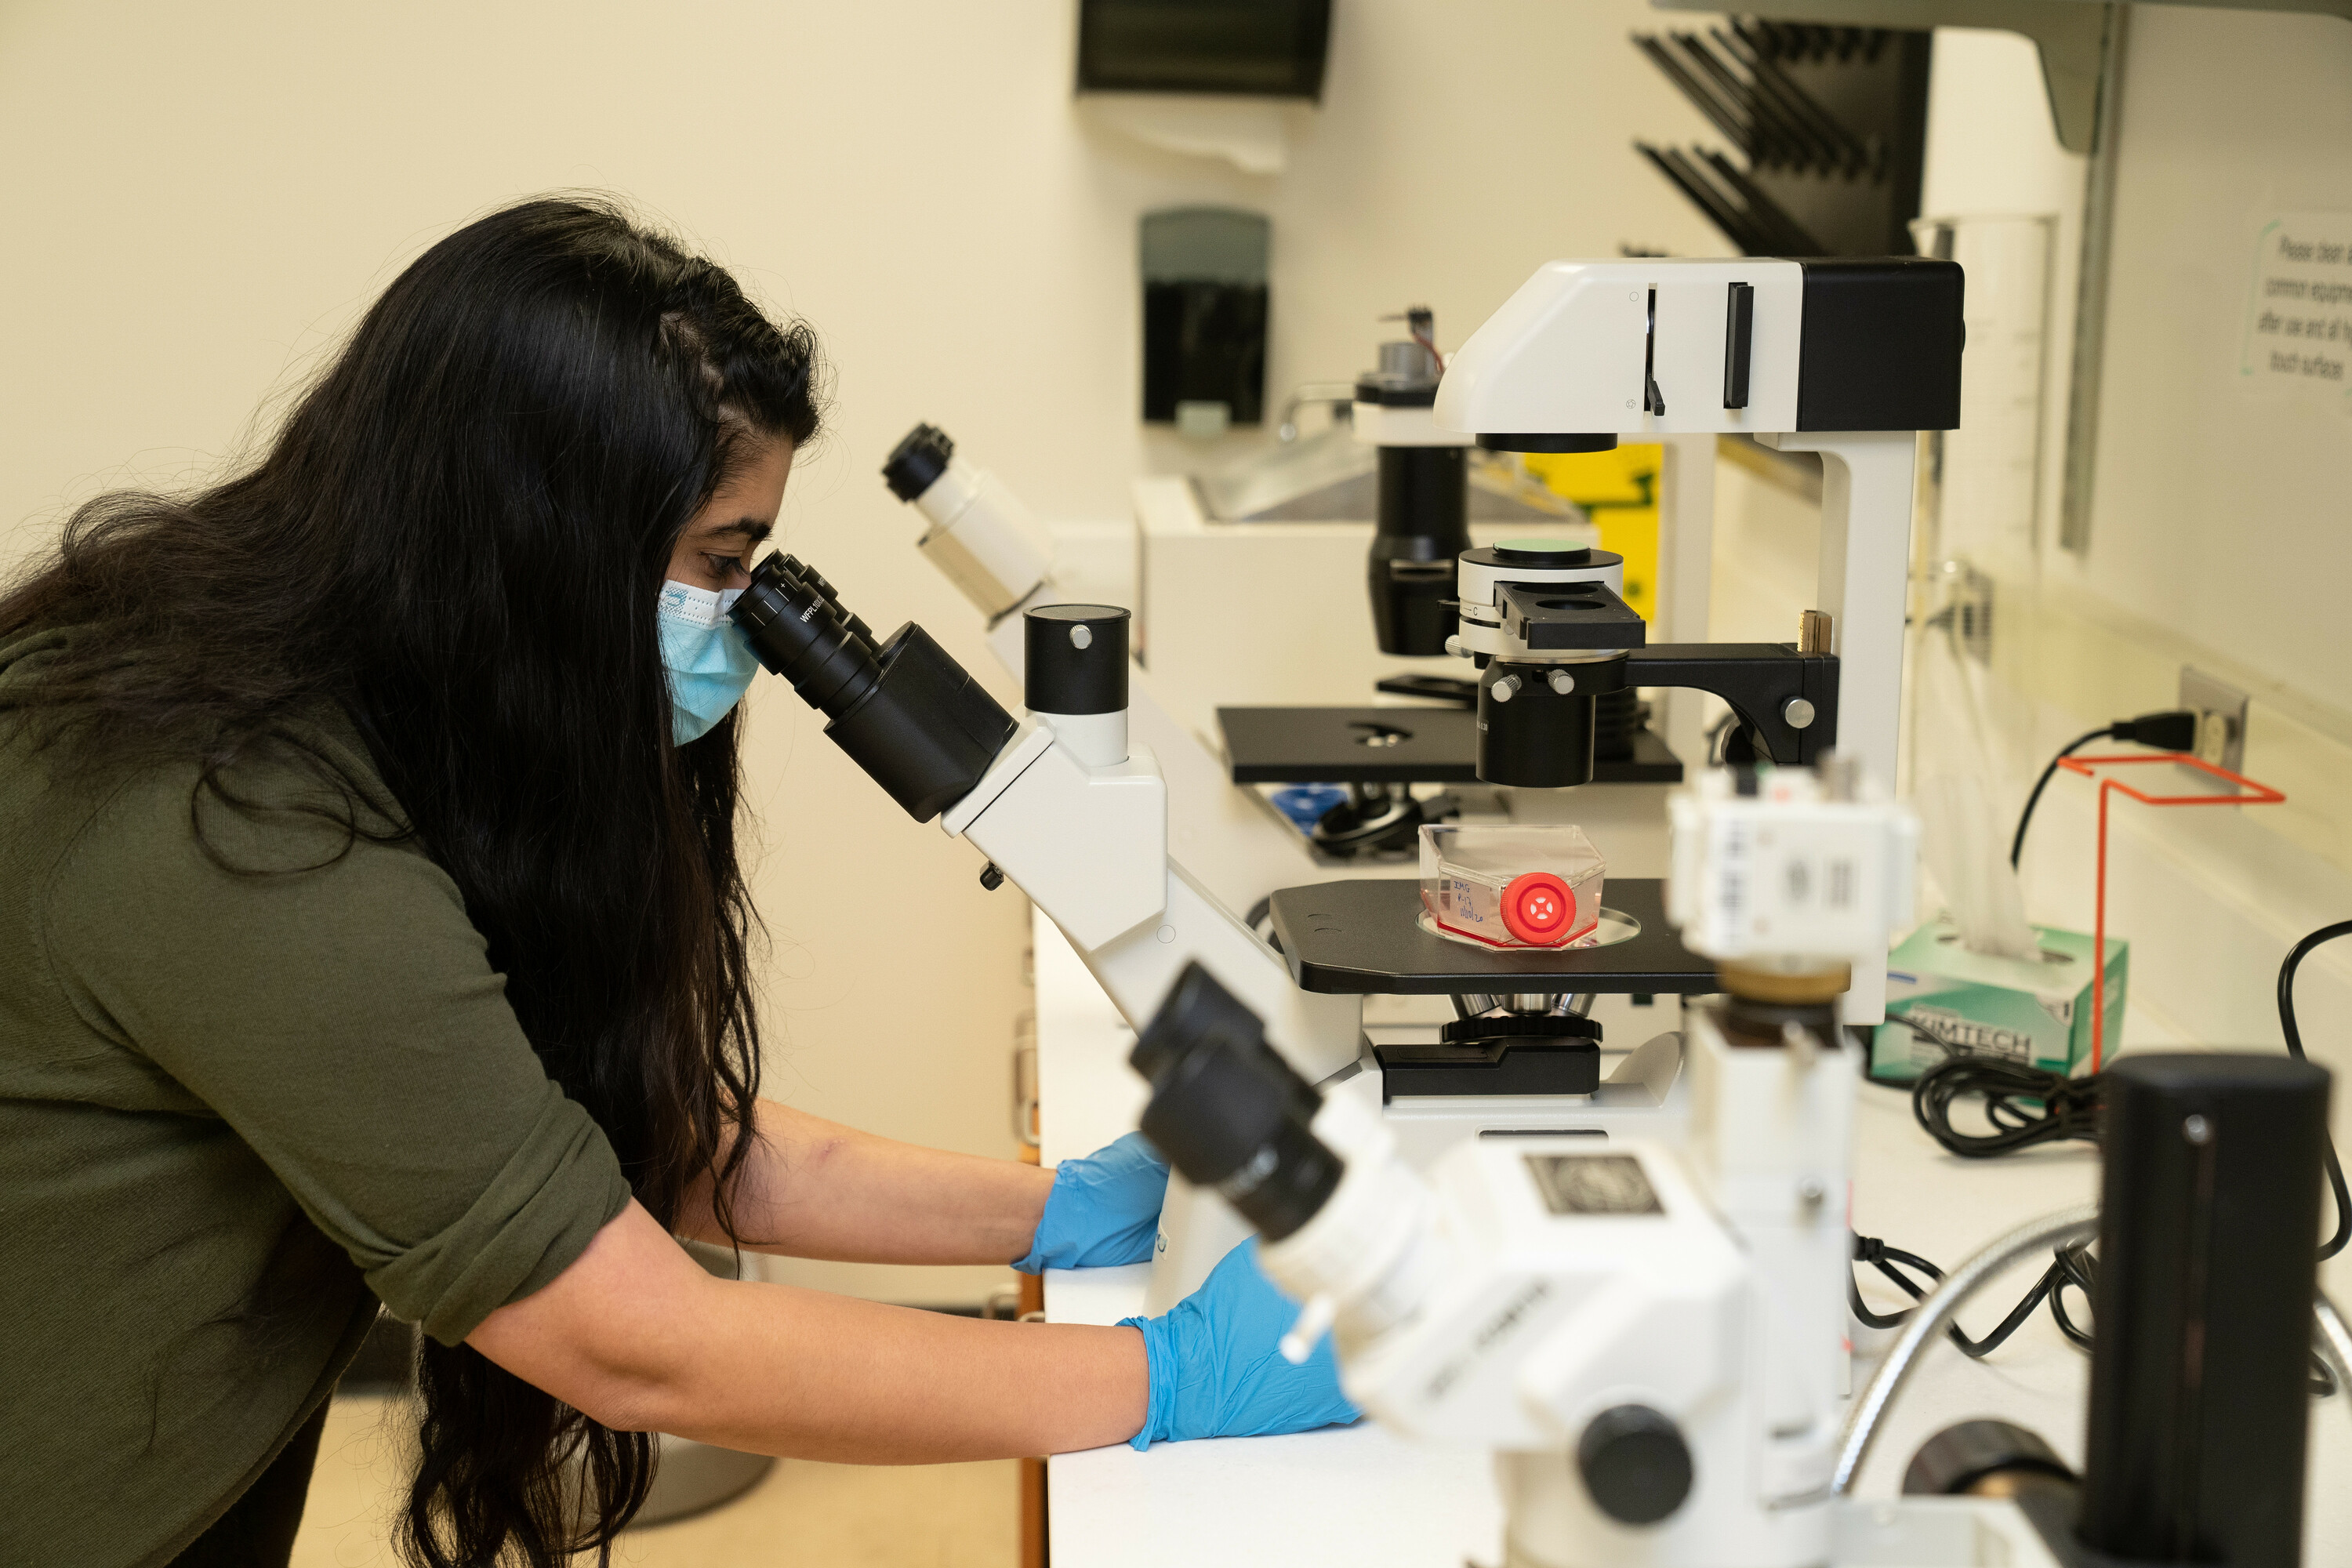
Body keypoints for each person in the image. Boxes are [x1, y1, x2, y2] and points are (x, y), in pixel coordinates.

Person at [0, 197, 1353, 1568]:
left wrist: (1058, 1208)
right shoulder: (234, 826)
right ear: (542, 543)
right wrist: (1162, 1378)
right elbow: (633, 1338)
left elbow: (624, 1133)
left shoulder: (327, 701)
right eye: (722, 564)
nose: (741, 626)